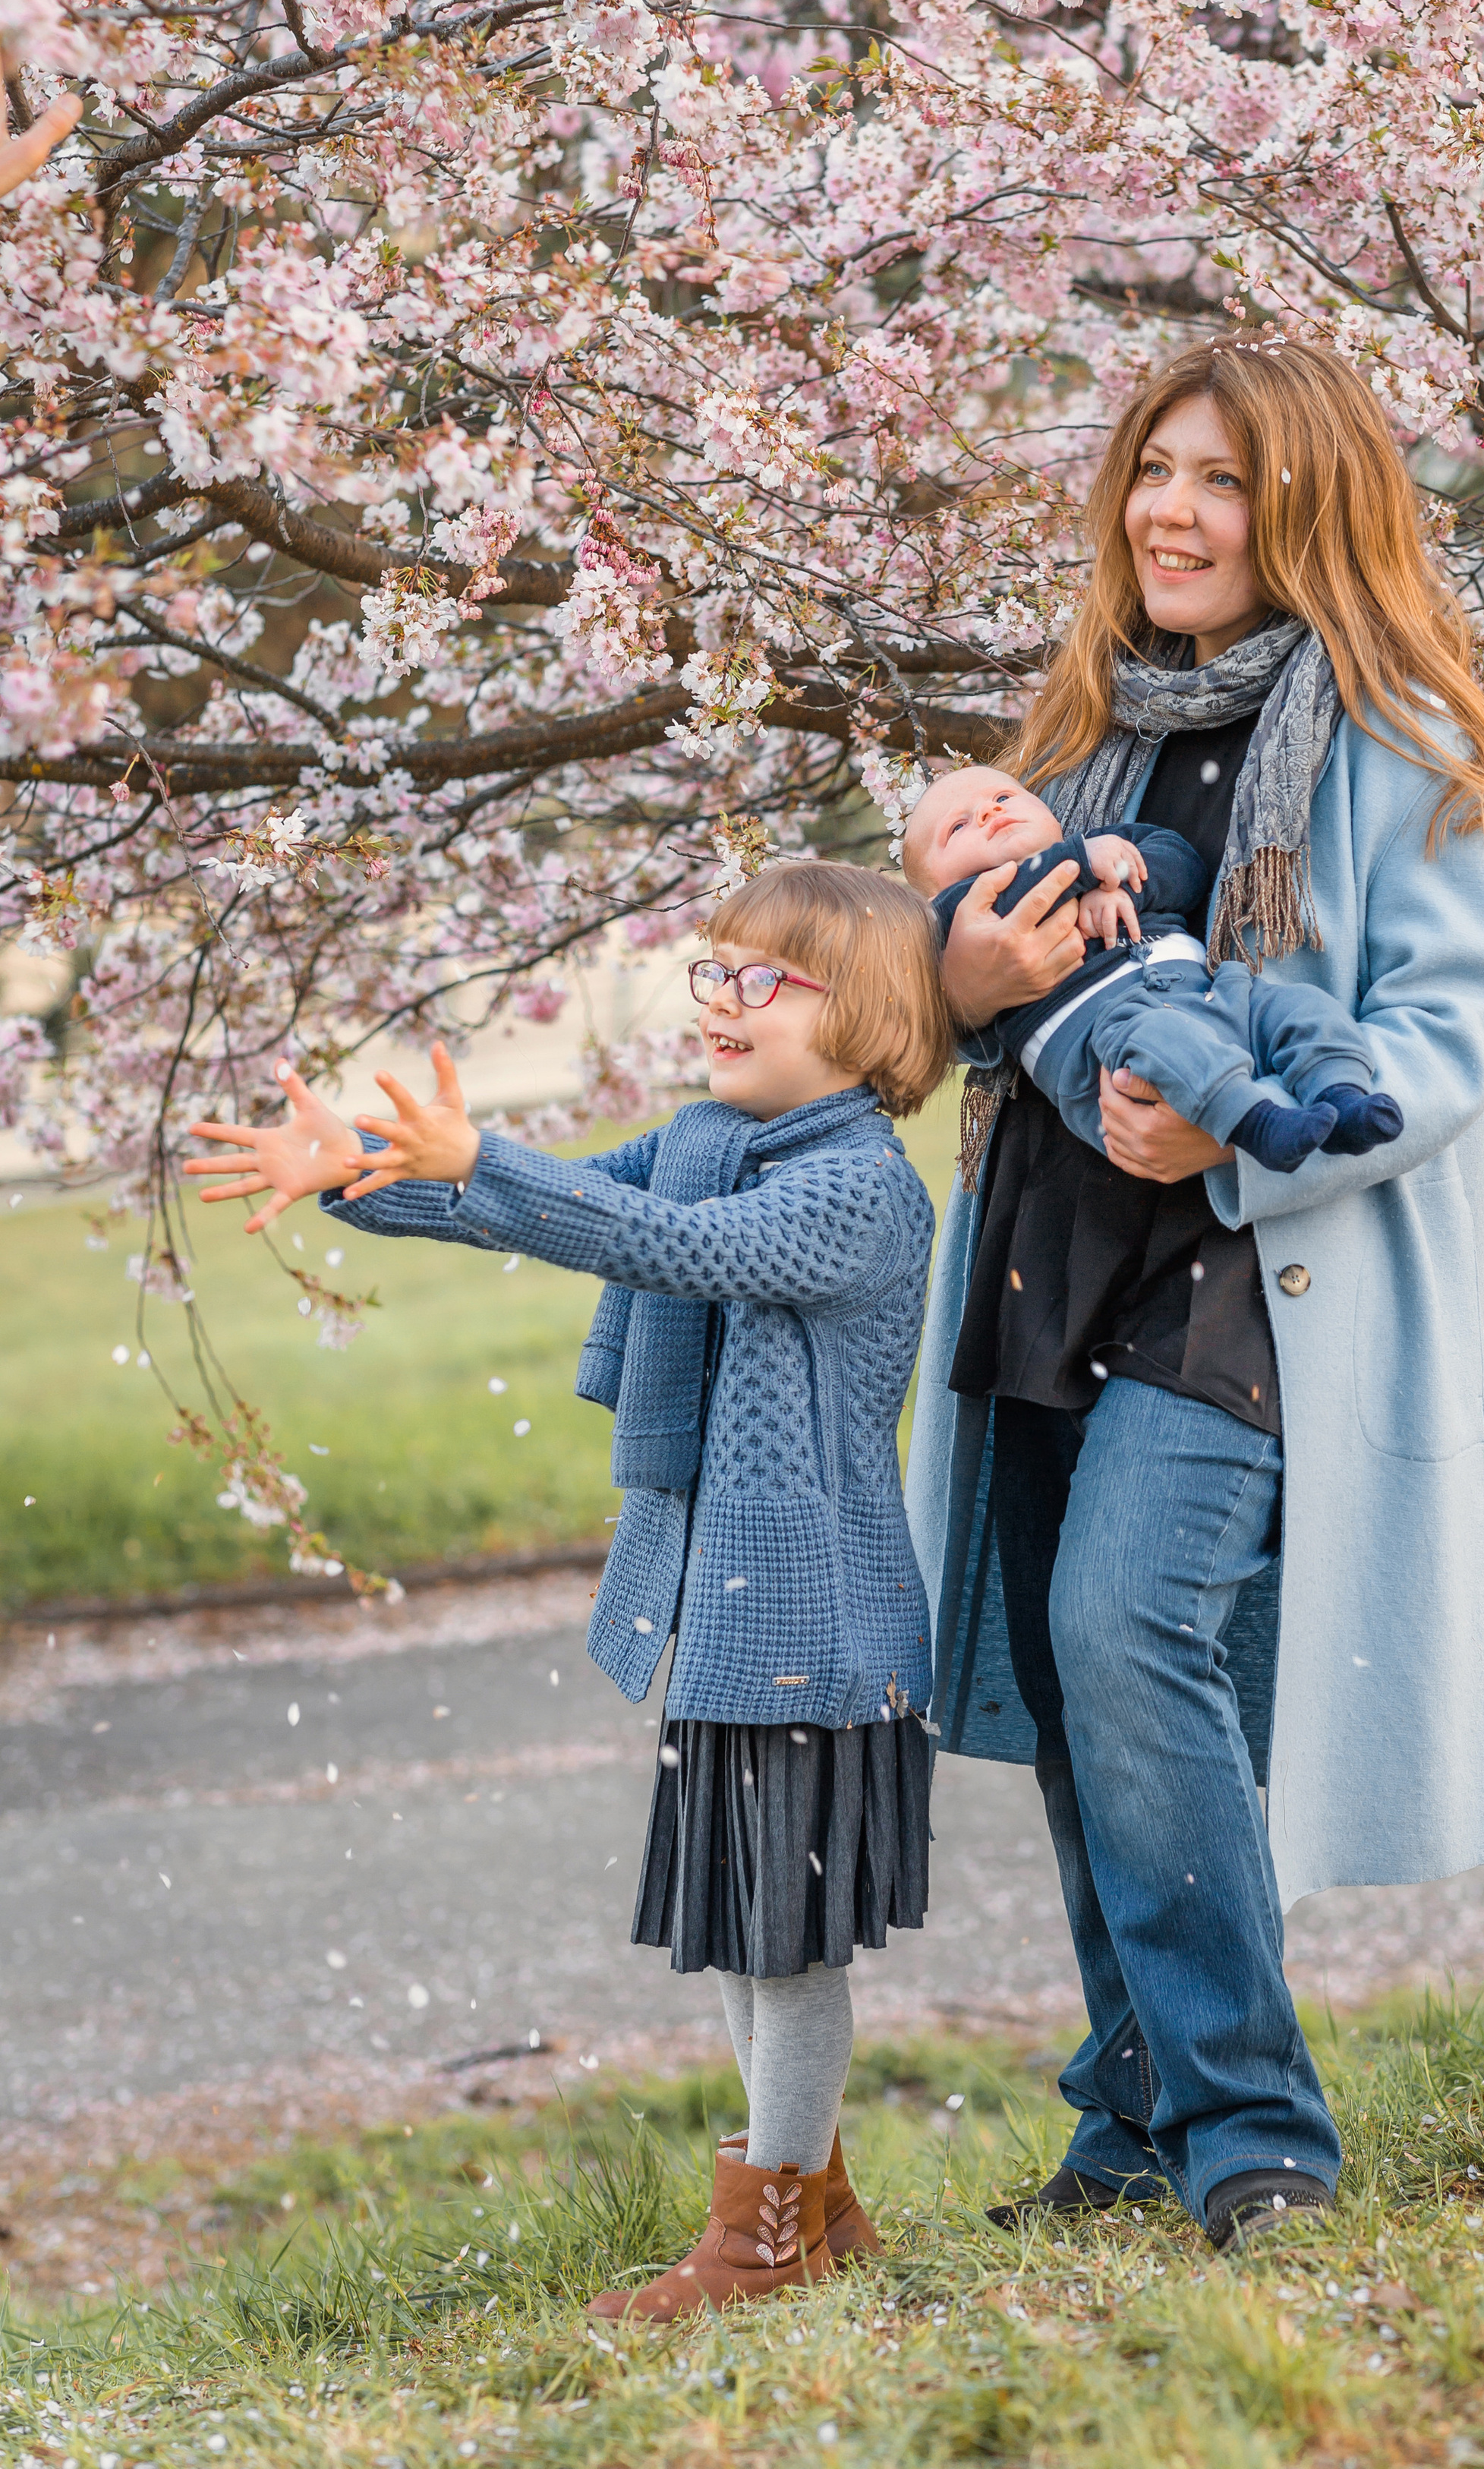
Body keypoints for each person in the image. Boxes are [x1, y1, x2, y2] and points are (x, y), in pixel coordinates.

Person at [904, 336, 1484, 2252]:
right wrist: (961, 996)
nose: (1169, 512)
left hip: (1248, 1264)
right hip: (1042, 1241)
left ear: (1305, 508)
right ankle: (1134, 2109)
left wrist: (1236, 1143)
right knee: (1063, 1679)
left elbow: (1454, 1026)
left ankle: (1253, 2123)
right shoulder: (1080, 719)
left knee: (1122, 1628)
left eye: (1222, 480)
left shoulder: (1393, 732)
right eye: (1151, 471)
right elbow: (967, 976)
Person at [184, 861, 956, 2318]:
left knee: (779, 1942)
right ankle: (818, 2206)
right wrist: (352, 1169)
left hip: (814, 1617)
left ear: (864, 1017)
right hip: (733, 1610)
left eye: (761, 981)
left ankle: (763, 2240)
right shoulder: (713, 1142)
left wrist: (482, 1164)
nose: (718, 1002)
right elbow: (526, 1211)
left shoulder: (856, 1191)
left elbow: (650, 1244)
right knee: (741, 1920)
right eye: (710, 970)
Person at [903, 761, 1404, 1171]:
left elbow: (1182, 864)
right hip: (1110, 1044)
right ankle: (1257, 1124)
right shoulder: (955, 919)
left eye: (1003, 798)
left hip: (1211, 996)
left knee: (1297, 1007)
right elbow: (1017, 891)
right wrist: (1081, 862)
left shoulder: (1106, 843)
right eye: (958, 827)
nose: (989, 814)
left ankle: (1342, 1095)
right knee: (1161, 1036)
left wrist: (1120, 884)